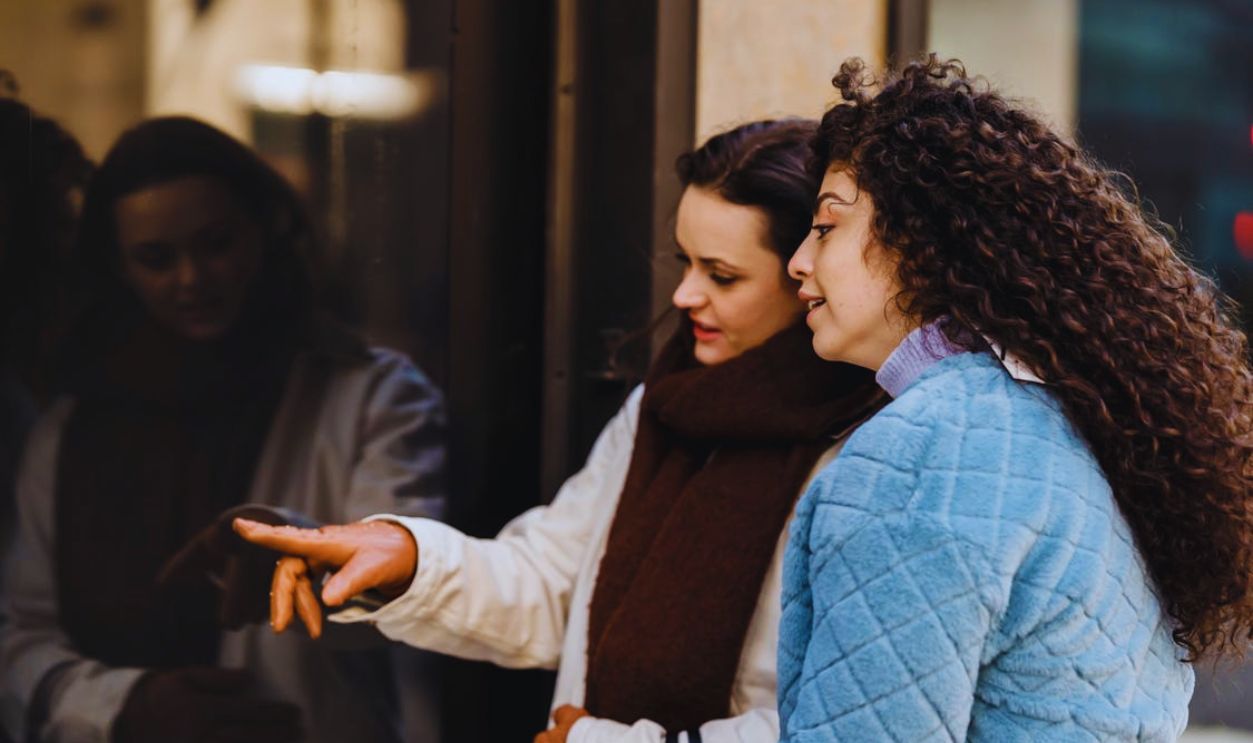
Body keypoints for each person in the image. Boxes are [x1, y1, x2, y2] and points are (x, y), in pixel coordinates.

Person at [236, 119, 885, 742]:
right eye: (683, 261)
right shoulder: (662, 405)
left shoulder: (870, 445)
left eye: (720, 275)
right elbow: (553, 583)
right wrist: (404, 558)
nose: (684, 294)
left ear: (807, 272)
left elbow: (856, 720)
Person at [778, 56, 1253, 741]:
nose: (798, 259)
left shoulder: (922, 454)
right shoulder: (1078, 418)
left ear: (921, 239)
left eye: (825, 227)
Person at [0, 116, 447, 743]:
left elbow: (414, 590)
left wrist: (301, 552)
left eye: (216, 244)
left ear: (263, 231)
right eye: (157, 258)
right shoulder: (70, 430)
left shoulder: (373, 396)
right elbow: (21, 636)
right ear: (120, 268)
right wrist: (126, 706)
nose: (192, 279)